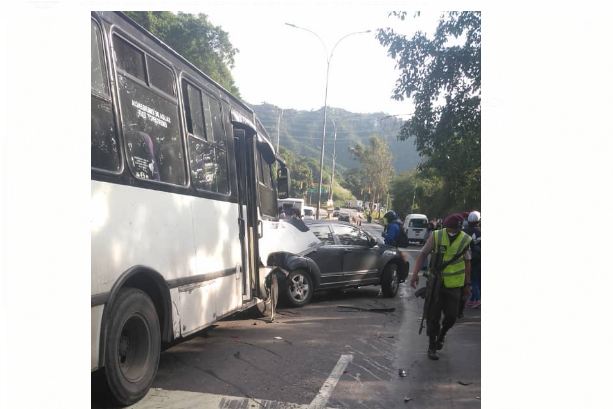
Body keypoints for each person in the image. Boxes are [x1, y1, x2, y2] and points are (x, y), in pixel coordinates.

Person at [410, 213, 472, 360]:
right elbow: (423, 254)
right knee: (432, 316)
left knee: (451, 316)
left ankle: (442, 335)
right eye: (448, 228)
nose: (449, 230)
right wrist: (414, 275)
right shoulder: (436, 236)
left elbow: (467, 262)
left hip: (455, 285)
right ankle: (432, 346)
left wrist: (467, 284)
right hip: (436, 283)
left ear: (459, 228)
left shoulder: (465, 239)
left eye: (452, 229)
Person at [464, 211, 481, 308]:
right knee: (478, 279)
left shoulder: (465, 231)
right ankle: (473, 299)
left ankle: (477, 299)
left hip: (470, 258)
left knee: (472, 280)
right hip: (480, 258)